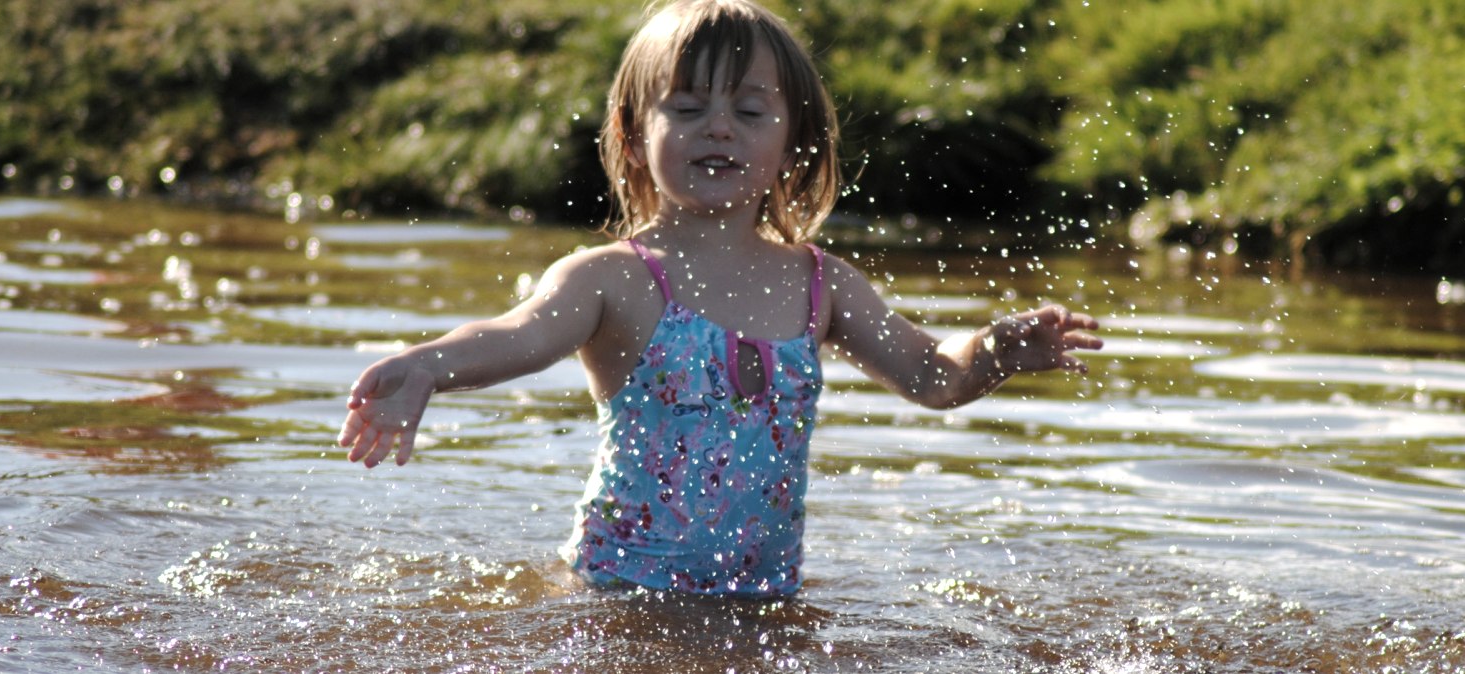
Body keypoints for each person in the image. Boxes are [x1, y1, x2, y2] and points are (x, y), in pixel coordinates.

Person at [338, 0, 1102, 598]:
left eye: (749, 110)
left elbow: (933, 375)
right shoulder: (614, 279)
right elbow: (519, 331)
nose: (720, 130)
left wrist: (996, 352)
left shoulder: (820, 283)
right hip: (619, 597)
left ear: (793, 139)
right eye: (688, 108)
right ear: (634, 135)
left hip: (765, 602)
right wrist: (426, 365)